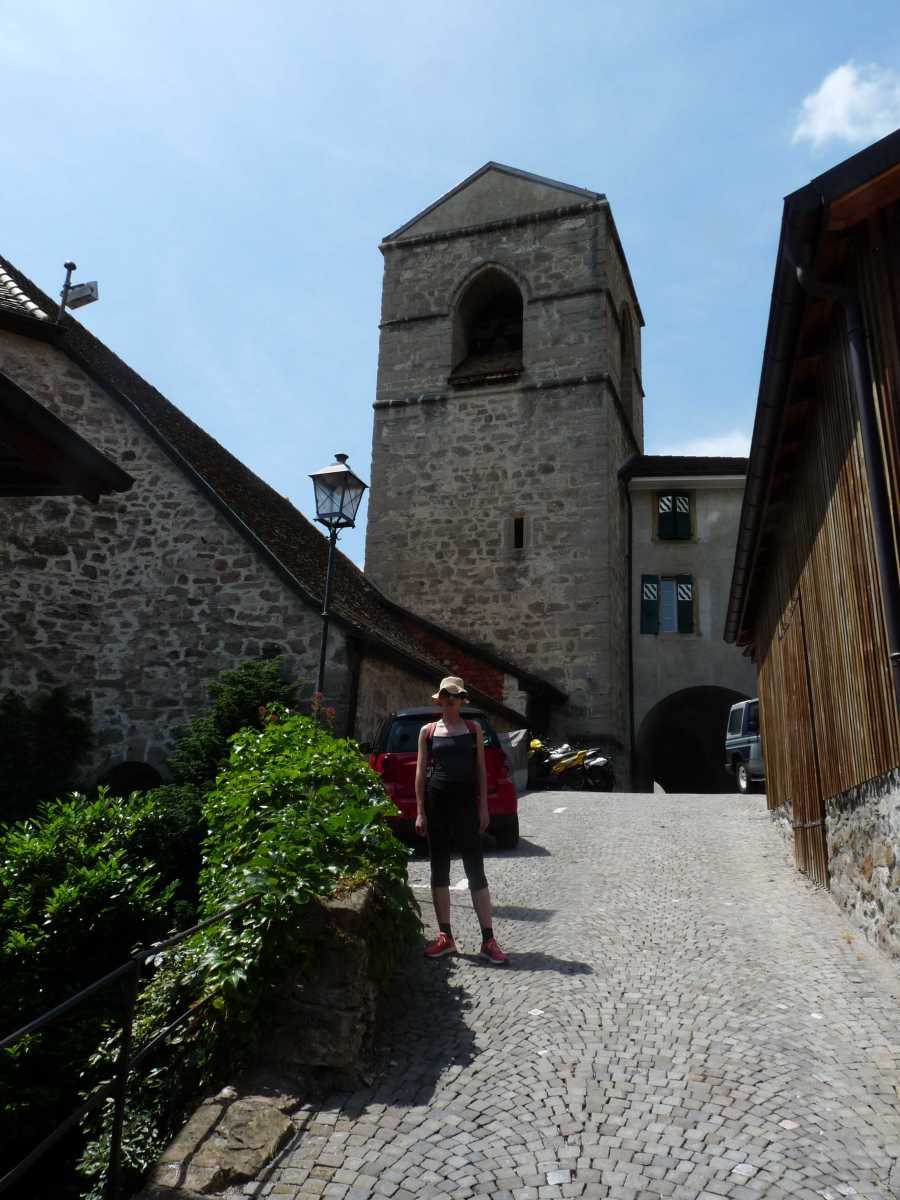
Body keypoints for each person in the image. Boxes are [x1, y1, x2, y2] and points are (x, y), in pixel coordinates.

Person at [415, 676, 508, 964]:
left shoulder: (473, 729)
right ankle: (445, 937)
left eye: (455, 695)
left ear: (462, 699)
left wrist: (483, 807)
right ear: (440, 700)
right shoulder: (428, 731)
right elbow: (419, 774)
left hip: (466, 806)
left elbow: (481, 770)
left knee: (475, 869)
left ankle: (488, 939)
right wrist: (420, 810)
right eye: (446, 695)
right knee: (438, 867)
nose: (450, 699)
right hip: (436, 804)